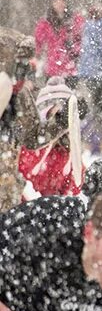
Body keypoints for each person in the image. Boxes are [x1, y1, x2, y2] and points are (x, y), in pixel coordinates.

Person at [18, 78, 85, 198]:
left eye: (63, 114)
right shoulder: (29, 153)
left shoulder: (70, 156)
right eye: (52, 114)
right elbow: (20, 187)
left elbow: (77, 190)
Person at [0, 28, 40, 211]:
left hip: (10, 197)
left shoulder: (22, 96)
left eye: (25, 66)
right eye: (18, 64)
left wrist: (61, 122)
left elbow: (34, 136)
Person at [78, 0, 102, 150]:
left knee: (95, 108)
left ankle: (90, 140)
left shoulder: (88, 24)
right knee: (101, 110)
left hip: (89, 72)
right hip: (99, 73)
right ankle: (96, 143)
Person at [34, 0, 84, 80]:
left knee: (70, 92)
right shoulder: (45, 22)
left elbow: (81, 39)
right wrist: (36, 57)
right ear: (52, 3)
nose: (60, 4)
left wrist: (75, 50)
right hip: (52, 68)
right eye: (56, 1)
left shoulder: (74, 19)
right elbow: (37, 42)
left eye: (62, 1)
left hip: (70, 68)